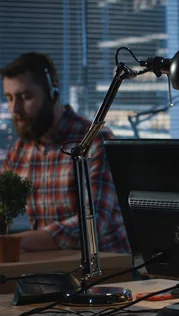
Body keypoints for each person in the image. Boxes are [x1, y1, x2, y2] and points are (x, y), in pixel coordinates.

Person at [0, 52, 130, 253]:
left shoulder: (94, 140)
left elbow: (93, 222)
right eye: (9, 98)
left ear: (53, 91)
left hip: (108, 272)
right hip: (51, 271)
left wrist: (14, 243)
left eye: (26, 97)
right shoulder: (19, 153)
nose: (15, 109)